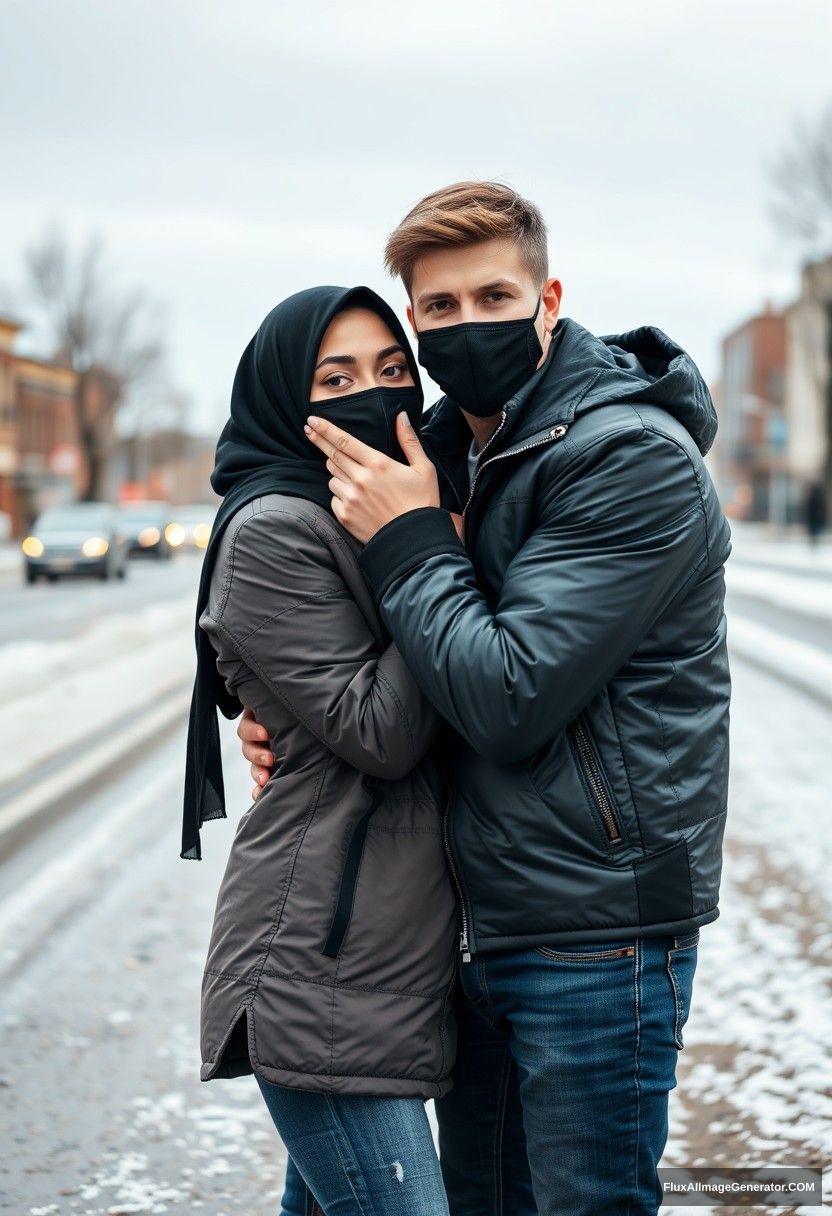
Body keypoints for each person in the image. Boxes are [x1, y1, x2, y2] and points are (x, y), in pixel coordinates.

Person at [243, 180, 733, 1216]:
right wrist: (278, 717)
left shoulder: (627, 459)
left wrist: (414, 537)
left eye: (493, 297)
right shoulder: (447, 448)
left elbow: (506, 693)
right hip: (472, 926)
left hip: (596, 929)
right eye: (440, 308)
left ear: (548, 298)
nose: (468, 325)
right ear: (417, 321)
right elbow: (382, 649)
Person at [182, 285, 460, 1215]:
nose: (372, 396)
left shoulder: (367, 509)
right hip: (319, 966)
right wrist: (428, 552)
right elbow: (382, 734)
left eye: (392, 372)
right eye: (335, 377)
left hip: (377, 962)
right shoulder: (274, 528)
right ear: (282, 399)